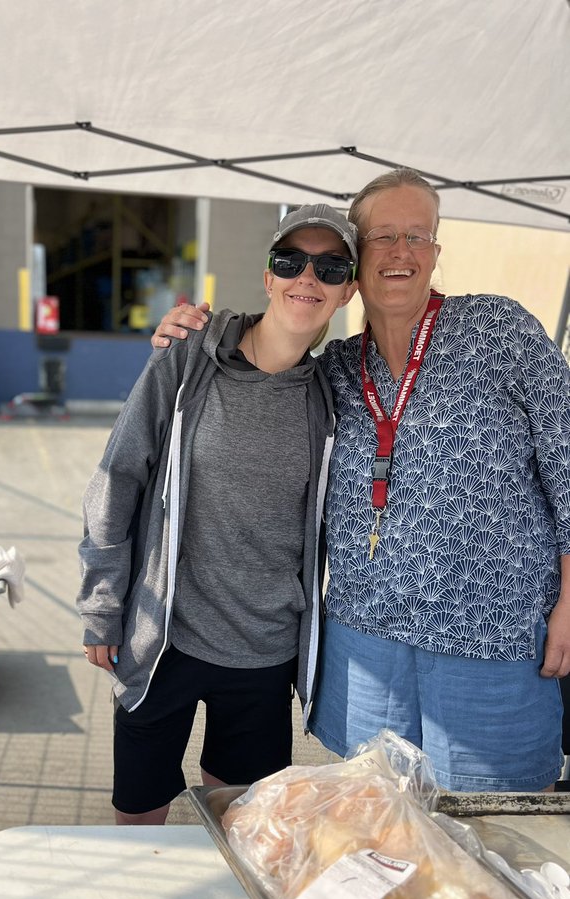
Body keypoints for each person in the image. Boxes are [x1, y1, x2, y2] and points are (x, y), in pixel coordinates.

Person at [153, 168, 570, 793]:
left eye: (419, 236)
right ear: (354, 260)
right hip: (365, 646)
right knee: (376, 833)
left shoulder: (499, 332)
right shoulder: (337, 371)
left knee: (491, 839)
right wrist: (195, 334)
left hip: (490, 643)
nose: (402, 251)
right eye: (383, 236)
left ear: (434, 252)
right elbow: (265, 352)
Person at [77, 204, 359, 825]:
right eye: (291, 261)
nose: (306, 277)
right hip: (164, 638)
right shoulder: (187, 360)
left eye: (330, 266)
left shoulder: (335, 392)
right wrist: (103, 602)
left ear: (348, 290)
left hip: (264, 652)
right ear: (268, 275)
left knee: (242, 835)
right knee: (140, 824)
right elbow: (118, 474)